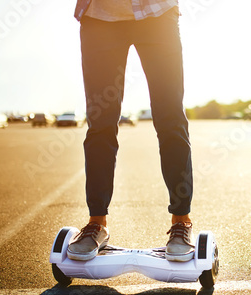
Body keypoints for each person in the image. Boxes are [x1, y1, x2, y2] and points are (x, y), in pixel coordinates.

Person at [67, 0, 194, 262]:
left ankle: (181, 221)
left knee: (170, 119)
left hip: (156, 14)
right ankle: (97, 224)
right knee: (100, 124)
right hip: (99, 17)